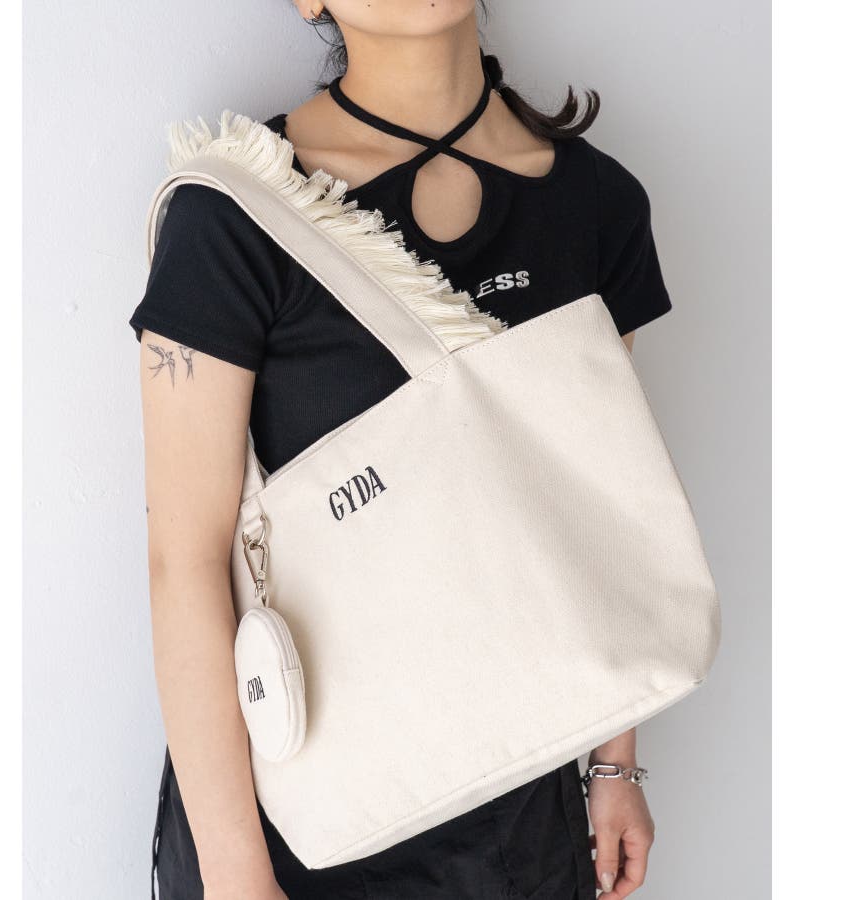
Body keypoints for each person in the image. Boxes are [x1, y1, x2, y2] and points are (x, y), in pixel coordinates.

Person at [130, 2, 671, 898]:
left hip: (519, 803)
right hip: (294, 813)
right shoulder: (233, 212)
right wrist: (234, 874)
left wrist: (615, 761)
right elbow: (182, 559)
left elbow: (594, 506)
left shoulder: (597, 205)